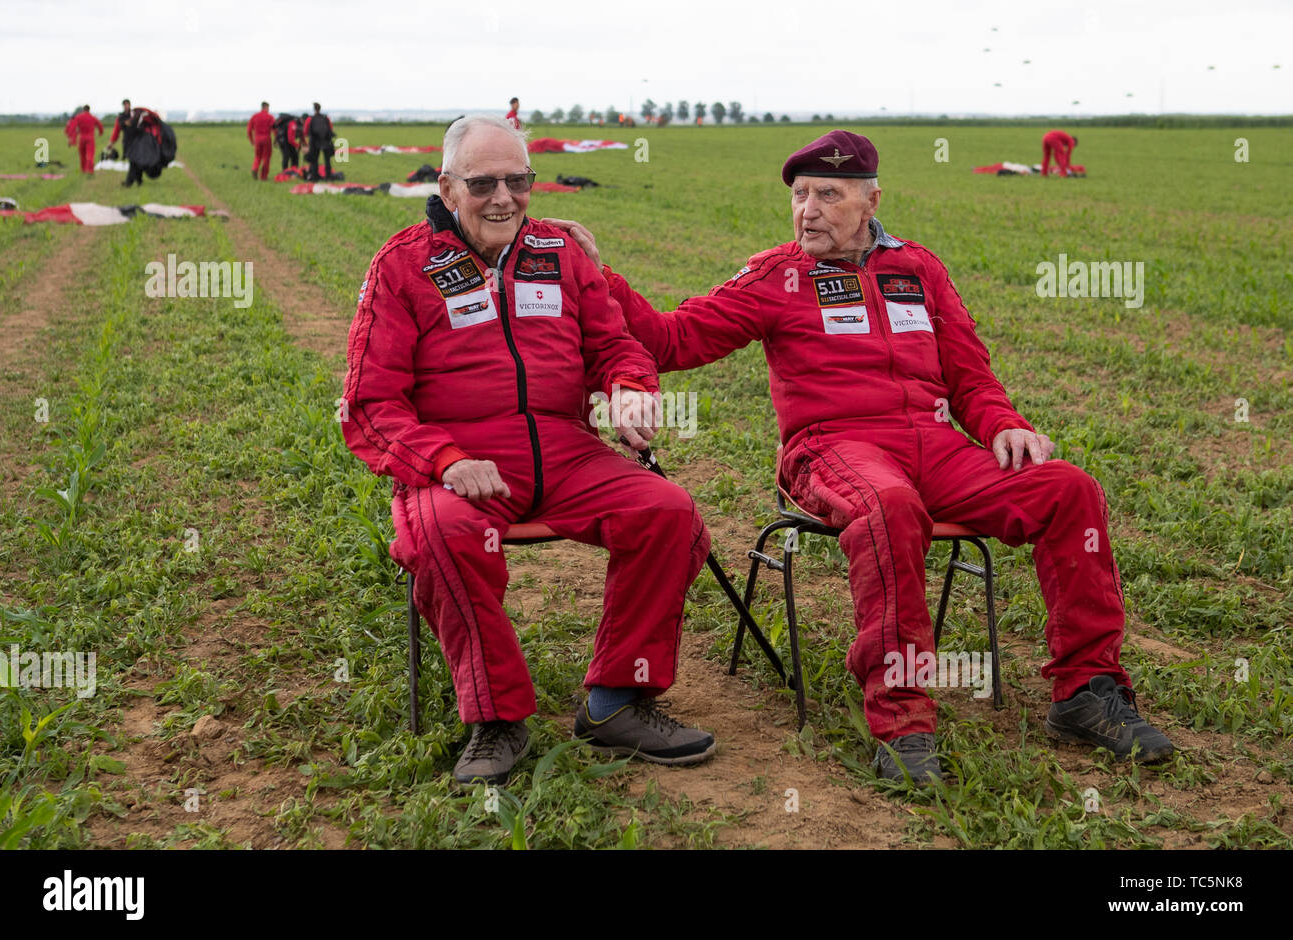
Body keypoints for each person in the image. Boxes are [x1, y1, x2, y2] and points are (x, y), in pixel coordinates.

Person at [552, 130, 1173, 786]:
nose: (808, 210)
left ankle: (1087, 692)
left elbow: (970, 376)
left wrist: (1004, 424)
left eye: (828, 194)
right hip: (832, 448)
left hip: (937, 448)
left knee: (1069, 489)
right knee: (888, 504)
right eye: (798, 195)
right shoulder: (775, 276)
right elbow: (669, 341)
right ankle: (903, 724)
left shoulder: (920, 269)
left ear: (872, 199)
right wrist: (599, 276)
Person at [339, 115, 716, 786]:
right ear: (447, 187)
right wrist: (446, 462)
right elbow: (372, 406)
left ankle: (616, 704)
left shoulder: (560, 252)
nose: (504, 198)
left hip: (568, 454)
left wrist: (629, 388)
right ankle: (497, 719)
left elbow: (615, 343)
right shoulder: (403, 265)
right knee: (443, 538)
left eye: (519, 181)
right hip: (457, 464)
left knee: (669, 513)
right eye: (483, 184)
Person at [65, 105, 103, 175]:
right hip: (90, 138)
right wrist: (100, 133)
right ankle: (90, 170)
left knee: (82, 155)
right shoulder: (93, 117)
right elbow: (100, 125)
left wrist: (70, 137)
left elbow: (73, 126)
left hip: (82, 138)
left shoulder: (79, 117)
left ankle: (83, 170)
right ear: (89, 110)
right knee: (90, 155)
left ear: (83, 110)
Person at [304, 102, 335, 180]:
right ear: (320, 108)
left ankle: (314, 177)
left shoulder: (309, 119)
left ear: (314, 109)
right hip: (326, 141)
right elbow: (330, 129)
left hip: (314, 142)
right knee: (327, 160)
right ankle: (328, 177)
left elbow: (306, 132)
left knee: (314, 160)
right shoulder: (326, 118)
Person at [247, 101, 275, 180]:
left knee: (258, 156)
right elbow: (274, 129)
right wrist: (276, 138)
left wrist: (251, 140)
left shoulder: (255, 116)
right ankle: (263, 176)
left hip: (257, 138)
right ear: (266, 107)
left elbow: (249, 129)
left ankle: (255, 168)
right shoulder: (270, 117)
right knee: (266, 157)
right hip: (266, 138)